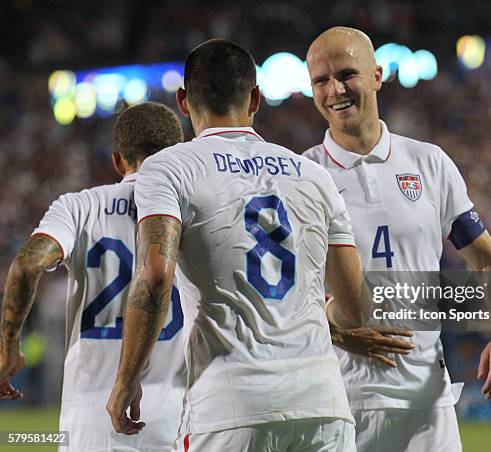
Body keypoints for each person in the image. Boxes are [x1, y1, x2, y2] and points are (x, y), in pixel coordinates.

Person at [106, 39, 369, 452]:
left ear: (183, 101)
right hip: (323, 405)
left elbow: (156, 275)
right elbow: (355, 308)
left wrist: (126, 380)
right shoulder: (314, 174)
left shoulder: (170, 167)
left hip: (230, 407)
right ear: (255, 98)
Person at [303, 26, 491, 451]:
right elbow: (283, 295)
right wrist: (335, 329)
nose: (334, 90)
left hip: (428, 401)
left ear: (378, 75)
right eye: (320, 81)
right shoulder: (302, 175)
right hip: (339, 401)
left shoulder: (428, 162)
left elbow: (488, 259)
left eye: (347, 74)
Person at [0, 102, 187, 451]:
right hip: (175, 421)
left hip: (90, 423)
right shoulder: (193, 209)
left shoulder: (79, 207)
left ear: (117, 160)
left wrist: (9, 345)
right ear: (178, 153)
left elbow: (26, 265)